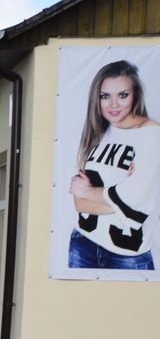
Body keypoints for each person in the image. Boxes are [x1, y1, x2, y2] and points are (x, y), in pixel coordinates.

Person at [68, 59, 159, 270]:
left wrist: (89, 191)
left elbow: (139, 204)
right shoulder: (97, 134)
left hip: (127, 257)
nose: (114, 104)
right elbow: (79, 203)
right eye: (105, 96)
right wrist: (122, 199)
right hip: (82, 244)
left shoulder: (152, 134)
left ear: (135, 94)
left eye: (123, 95)